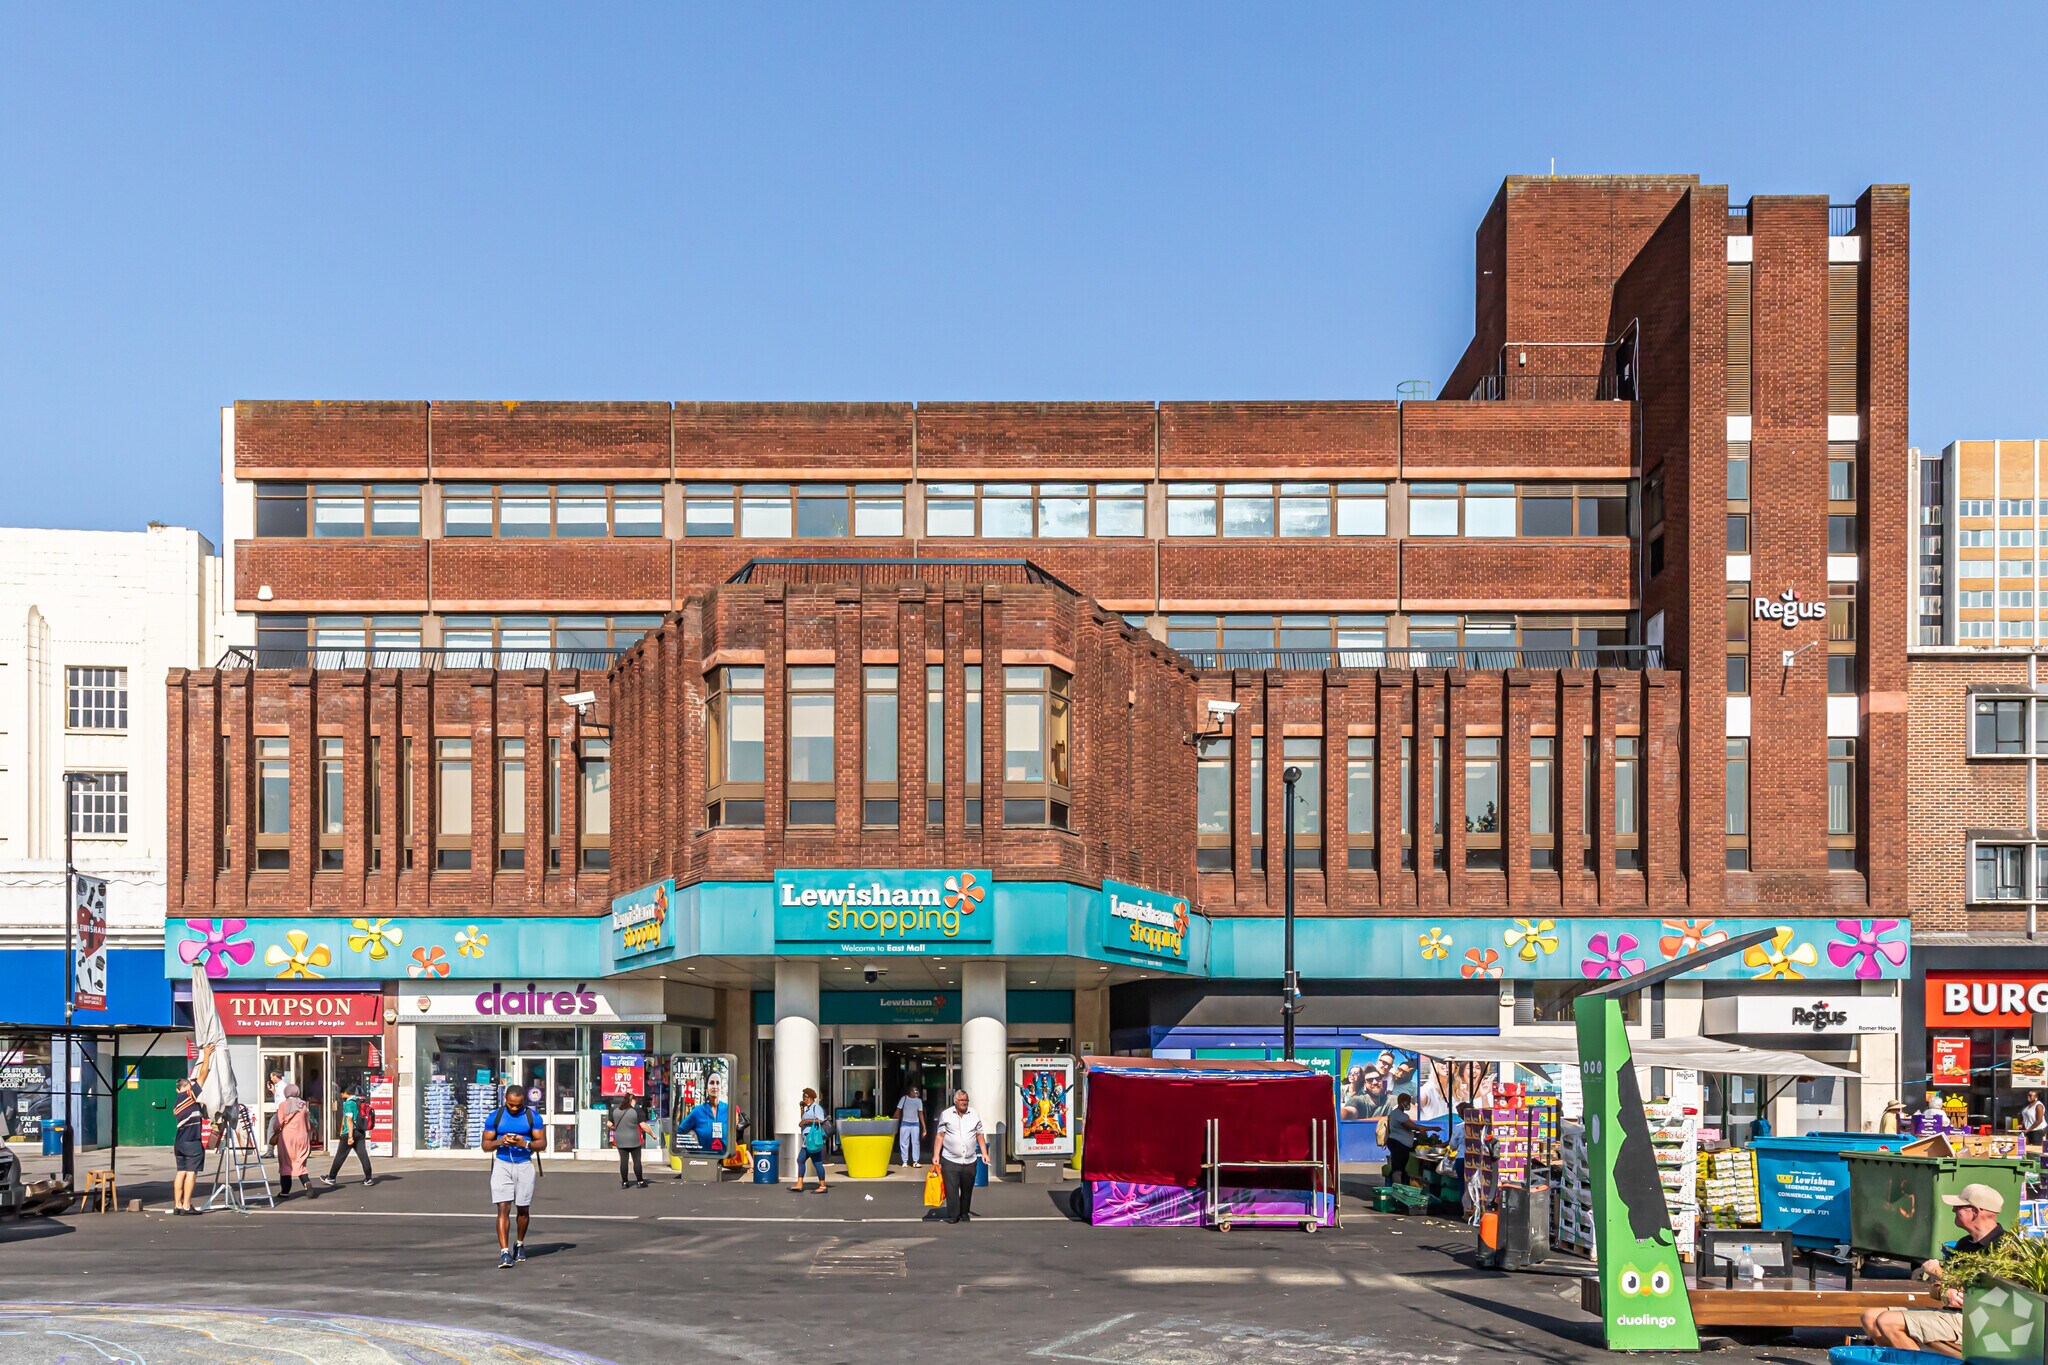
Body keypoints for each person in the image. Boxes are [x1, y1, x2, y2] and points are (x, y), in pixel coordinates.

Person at [1862, 1183, 2009, 1358]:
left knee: (1887, 1322)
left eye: (1959, 1206)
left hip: (1981, 1321)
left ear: (1976, 1212)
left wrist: (1937, 1272)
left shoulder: (2004, 1248)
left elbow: (1990, 1296)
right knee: (1869, 1317)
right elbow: (1937, 1290)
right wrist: (1946, 1292)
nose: (1953, 1210)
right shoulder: (1964, 1244)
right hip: (1954, 1314)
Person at [484, 1083, 545, 1269]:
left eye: (518, 1105)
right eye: (511, 1104)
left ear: (524, 1102)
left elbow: (541, 1144)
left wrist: (524, 1144)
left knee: (523, 1209)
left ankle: (519, 1243)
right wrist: (500, 1141)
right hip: (502, 1164)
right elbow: (486, 1146)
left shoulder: (532, 1117)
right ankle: (504, 1252)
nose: (514, 1108)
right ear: (505, 1101)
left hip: (524, 1164)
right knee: (503, 1207)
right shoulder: (496, 1117)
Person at [932, 1089, 990, 1224]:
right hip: (950, 1159)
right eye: (962, 1101)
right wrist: (936, 1155)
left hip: (970, 1159)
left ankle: (964, 1212)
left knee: (967, 1188)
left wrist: (984, 1153)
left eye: (966, 1101)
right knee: (951, 1189)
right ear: (955, 1101)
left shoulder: (974, 1114)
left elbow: (979, 1134)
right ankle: (953, 1215)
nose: (964, 1103)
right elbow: (940, 1135)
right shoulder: (946, 1115)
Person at [170, 1044, 215, 1215]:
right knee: (191, 1173)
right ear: (188, 1087)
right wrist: (206, 1055)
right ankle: (187, 1205)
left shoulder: (176, 1104)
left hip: (179, 1142)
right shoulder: (190, 1095)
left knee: (180, 1172)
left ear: (177, 1089)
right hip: (192, 1142)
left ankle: (178, 1205)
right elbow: (203, 1074)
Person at [317, 1081, 376, 1189]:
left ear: (346, 1093)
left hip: (350, 1132)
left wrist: (350, 1136)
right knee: (363, 1155)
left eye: (342, 1093)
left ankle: (331, 1177)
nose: (340, 1095)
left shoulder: (349, 1103)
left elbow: (349, 1119)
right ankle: (369, 1178)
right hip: (360, 1132)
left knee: (340, 1156)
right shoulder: (359, 1101)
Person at [269, 1082, 312, 1197]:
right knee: (300, 1163)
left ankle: (285, 1192)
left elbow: (277, 1125)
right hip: (302, 1137)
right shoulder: (303, 1105)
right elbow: (308, 1125)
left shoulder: (283, 1105)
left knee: (286, 1165)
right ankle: (306, 1182)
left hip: (287, 1139)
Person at [791, 1087, 829, 1193]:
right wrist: (802, 1109)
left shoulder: (816, 1107)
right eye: (803, 1096)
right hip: (807, 1140)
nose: (804, 1098)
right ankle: (799, 1184)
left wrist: (807, 1121)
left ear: (811, 1097)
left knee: (817, 1162)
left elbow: (821, 1120)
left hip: (812, 1139)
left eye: (805, 1097)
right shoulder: (809, 1108)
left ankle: (822, 1186)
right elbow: (803, 1119)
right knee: (800, 1160)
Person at [609, 1096, 648, 1188]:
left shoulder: (616, 1111)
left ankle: (625, 1182)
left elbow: (609, 1124)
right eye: (635, 1101)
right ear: (632, 1101)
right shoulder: (636, 1111)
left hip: (620, 1139)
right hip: (634, 1139)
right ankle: (640, 1181)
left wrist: (617, 1129)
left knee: (623, 1161)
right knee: (636, 1161)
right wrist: (652, 1135)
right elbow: (644, 1126)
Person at [1385, 1093, 1420, 1187]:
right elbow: (1413, 1126)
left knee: (1401, 1168)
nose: (1409, 1104)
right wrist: (1428, 1129)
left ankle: (1400, 1188)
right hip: (1399, 1145)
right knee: (1398, 1169)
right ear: (1401, 1102)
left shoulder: (1396, 1114)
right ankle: (1398, 1190)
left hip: (1399, 1144)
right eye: (1407, 1102)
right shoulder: (1399, 1115)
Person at [894, 1086, 925, 1167]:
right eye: (915, 1091)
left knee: (915, 1142)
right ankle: (904, 1161)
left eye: (917, 1091)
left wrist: (924, 1127)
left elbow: (920, 1114)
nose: (916, 1093)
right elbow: (898, 1110)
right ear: (910, 1092)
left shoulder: (918, 1101)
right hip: (905, 1123)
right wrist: (894, 1120)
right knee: (904, 1143)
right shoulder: (904, 1099)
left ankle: (915, 1161)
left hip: (915, 1124)